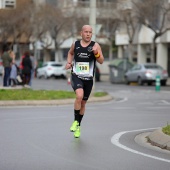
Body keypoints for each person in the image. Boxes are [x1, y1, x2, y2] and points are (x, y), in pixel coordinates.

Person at [65, 25, 104, 138]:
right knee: (79, 96)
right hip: (77, 76)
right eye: (86, 32)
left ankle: (78, 126)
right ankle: (75, 122)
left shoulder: (95, 45)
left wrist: (96, 53)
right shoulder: (75, 44)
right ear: (81, 33)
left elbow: (101, 61)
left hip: (88, 79)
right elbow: (70, 53)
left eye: (90, 32)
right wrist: (69, 62)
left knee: (83, 103)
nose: (88, 34)